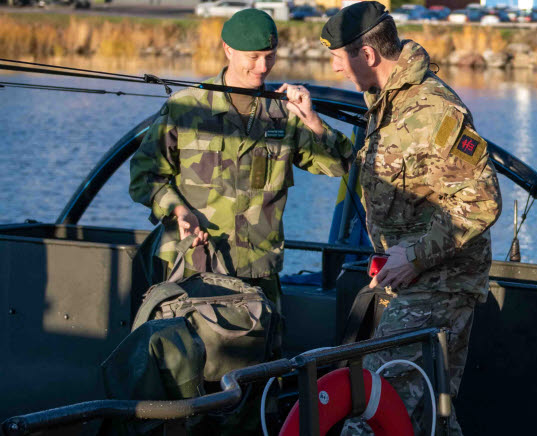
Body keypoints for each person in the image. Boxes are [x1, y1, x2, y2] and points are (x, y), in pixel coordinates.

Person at [319, 2, 502, 434]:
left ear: (367, 56)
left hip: (440, 286)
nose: (334, 70)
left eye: (337, 58)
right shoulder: (387, 104)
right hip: (406, 281)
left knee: (375, 408)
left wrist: (414, 256)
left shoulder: (434, 112)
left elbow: (481, 203)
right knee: (427, 412)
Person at [129, 8, 352, 306]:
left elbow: (341, 164)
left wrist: (312, 119)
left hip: (258, 271)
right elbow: (145, 176)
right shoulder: (186, 107)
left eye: (270, 56)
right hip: (194, 266)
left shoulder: (285, 113)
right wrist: (177, 210)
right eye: (254, 57)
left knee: (263, 351)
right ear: (228, 50)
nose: (263, 67)